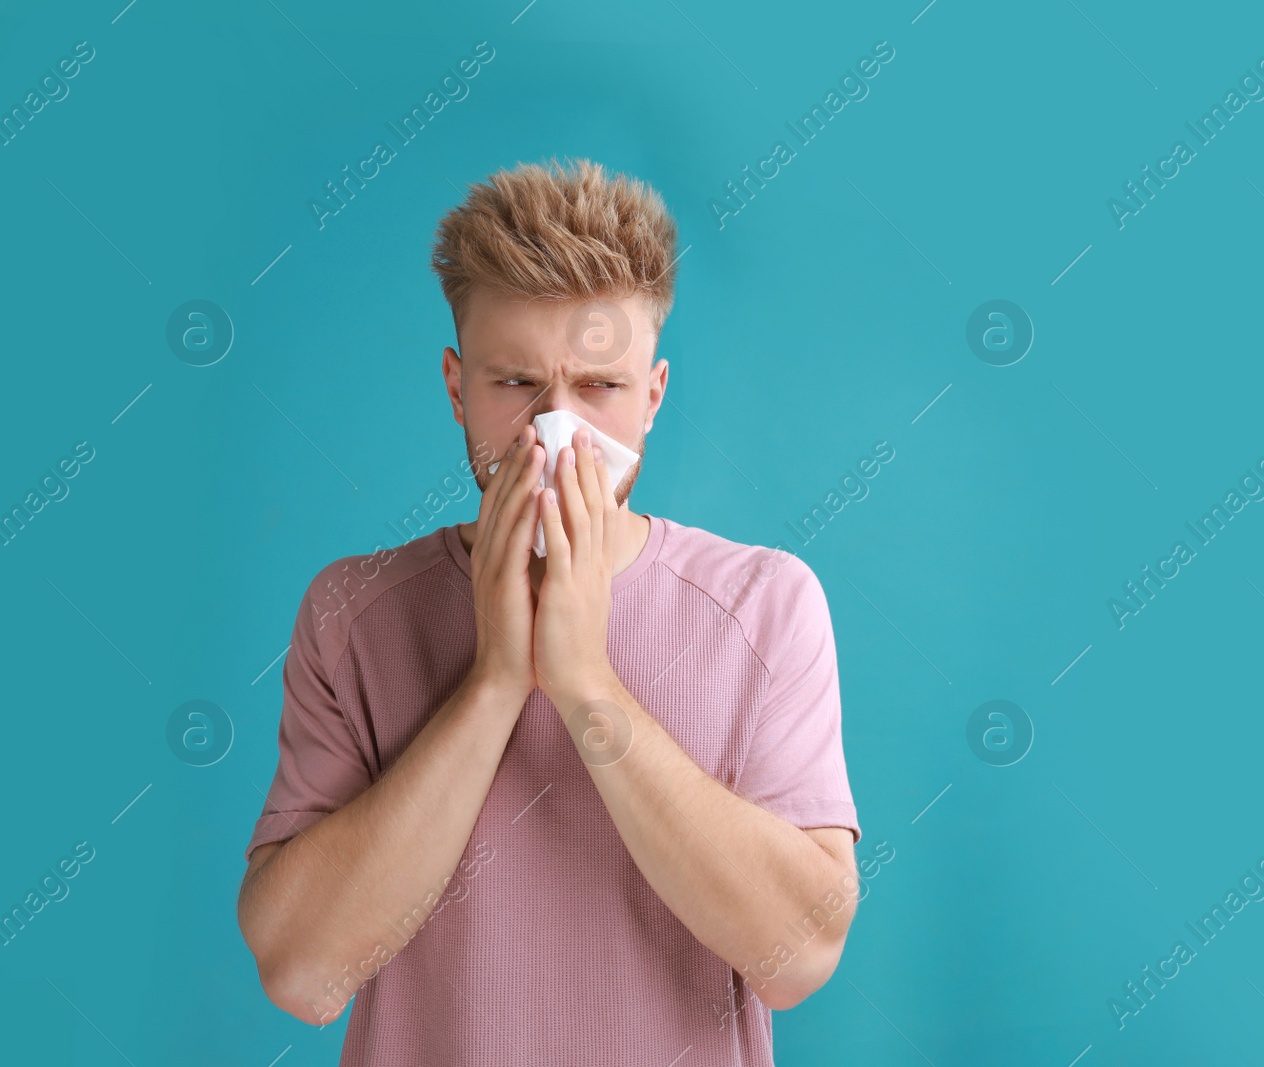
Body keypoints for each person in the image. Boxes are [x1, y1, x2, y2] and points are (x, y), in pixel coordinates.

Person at [236, 158, 862, 1066]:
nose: (553, 431)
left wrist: (582, 682)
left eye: (599, 388)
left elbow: (797, 956)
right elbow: (302, 973)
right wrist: (494, 681)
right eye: (515, 384)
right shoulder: (352, 615)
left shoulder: (765, 606)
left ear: (652, 397)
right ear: (456, 388)